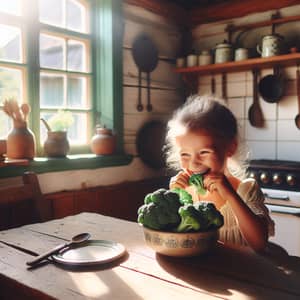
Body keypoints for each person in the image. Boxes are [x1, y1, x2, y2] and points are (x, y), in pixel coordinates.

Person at [165, 95, 274, 252]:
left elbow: (259, 243)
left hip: (242, 273)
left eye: (204, 152)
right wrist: (174, 197)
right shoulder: (186, 192)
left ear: (230, 148)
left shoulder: (245, 190)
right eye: (185, 154)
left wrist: (231, 195)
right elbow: (175, 236)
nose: (194, 163)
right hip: (204, 272)